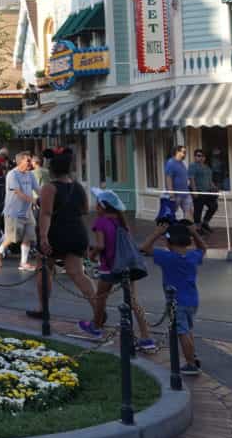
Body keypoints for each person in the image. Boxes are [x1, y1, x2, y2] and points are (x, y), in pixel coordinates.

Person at [83, 188, 156, 350]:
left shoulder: (101, 222)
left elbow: (101, 245)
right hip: (125, 266)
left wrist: (92, 254)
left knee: (100, 297)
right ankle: (146, 336)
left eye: (97, 202)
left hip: (109, 266)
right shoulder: (121, 221)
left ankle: (96, 327)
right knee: (133, 301)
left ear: (102, 206)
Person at [31, 150, 98, 323]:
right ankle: (98, 309)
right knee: (77, 273)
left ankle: (43, 308)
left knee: (44, 268)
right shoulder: (78, 187)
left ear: (52, 168)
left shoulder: (49, 188)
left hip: (56, 232)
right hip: (77, 231)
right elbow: (84, 209)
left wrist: (44, 237)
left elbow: (46, 214)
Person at [140, 221, 206, 375]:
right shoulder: (193, 256)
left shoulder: (167, 257)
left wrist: (157, 233)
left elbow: (144, 248)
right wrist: (194, 233)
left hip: (177, 302)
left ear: (169, 243)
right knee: (188, 330)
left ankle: (191, 364)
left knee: (182, 332)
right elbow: (203, 248)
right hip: (192, 300)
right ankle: (192, 356)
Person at [0, 152, 38, 271]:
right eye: (28, 160)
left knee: (28, 236)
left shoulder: (30, 175)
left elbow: (38, 189)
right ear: (20, 162)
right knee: (13, 237)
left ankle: (23, 263)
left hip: (27, 211)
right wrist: (33, 200)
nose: (30, 162)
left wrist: (46, 197)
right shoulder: (12, 174)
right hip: (13, 212)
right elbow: (18, 192)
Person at [188, 149, 217, 236]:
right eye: (198, 155)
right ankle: (197, 228)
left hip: (208, 192)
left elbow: (210, 180)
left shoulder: (207, 167)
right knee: (198, 210)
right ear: (195, 157)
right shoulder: (193, 166)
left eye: (202, 156)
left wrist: (214, 187)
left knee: (213, 206)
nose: (200, 158)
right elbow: (191, 179)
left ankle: (205, 223)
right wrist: (194, 191)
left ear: (204, 158)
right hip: (199, 191)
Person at [164, 146, 192, 222]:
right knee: (171, 213)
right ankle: (167, 231)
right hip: (176, 194)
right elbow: (168, 178)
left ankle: (188, 230)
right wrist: (171, 193)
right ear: (177, 152)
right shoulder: (171, 162)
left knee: (189, 212)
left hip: (185, 193)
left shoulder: (182, 163)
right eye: (183, 152)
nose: (185, 154)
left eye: (185, 152)